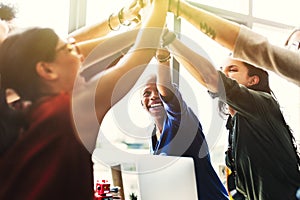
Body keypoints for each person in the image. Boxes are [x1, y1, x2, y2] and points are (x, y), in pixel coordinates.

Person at [0, 0, 168, 199]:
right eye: (69, 49)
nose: (78, 52)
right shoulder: (70, 108)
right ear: (46, 70)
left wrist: (134, 28)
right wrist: (159, 7)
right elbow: (134, 61)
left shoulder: (22, 112)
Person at [161, 30, 300, 199]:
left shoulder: (262, 104)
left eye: (232, 70)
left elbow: (211, 78)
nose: (224, 75)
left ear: (253, 80)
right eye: (222, 70)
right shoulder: (236, 122)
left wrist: (170, 41)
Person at [140, 48, 229, 200]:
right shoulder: (154, 136)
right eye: (147, 93)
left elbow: (166, 87)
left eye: (158, 91)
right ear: (142, 103)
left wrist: (162, 58)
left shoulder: (181, 121)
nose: (154, 96)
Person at [167, 0, 300, 86]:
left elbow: (255, 48)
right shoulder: (237, 115)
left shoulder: (259, 103)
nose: (224, 74)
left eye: (297, 45)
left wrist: (177, 8)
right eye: (289, 48)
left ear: (253, 80)